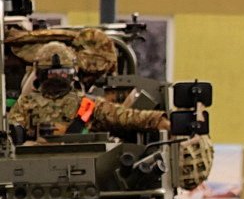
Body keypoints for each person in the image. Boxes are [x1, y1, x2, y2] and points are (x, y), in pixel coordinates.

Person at [7, 41, 169, 140]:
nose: (56, 77)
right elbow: (10, 133)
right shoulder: (26, 103)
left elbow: (127, 116)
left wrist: (159, 120)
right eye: (51, 73)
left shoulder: (87, 106)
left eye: (62, 73)